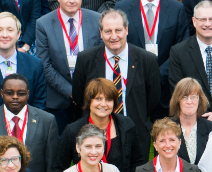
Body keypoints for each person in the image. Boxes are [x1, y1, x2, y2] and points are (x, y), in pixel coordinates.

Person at [70, 8, 163, 137]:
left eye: (118, 30)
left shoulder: (147, 60)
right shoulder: (86, 59)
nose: (114, 36)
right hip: (96, 134)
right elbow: (79, 97)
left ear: (126, 30)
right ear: (101, 33)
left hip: (135, 132)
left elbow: (153, 99)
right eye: (108, 31)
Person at [34, 0, 100, 132]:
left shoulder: (97, 19)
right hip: (58, 100)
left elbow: (99, 58)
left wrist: (86, 91)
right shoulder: (43, 23)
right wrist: (72, 92)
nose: (72, 0)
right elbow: (44, 65)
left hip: (90, 96)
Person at [118, 0, 192, 88]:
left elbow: (182, 46)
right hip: (132, 81)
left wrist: (159, 73)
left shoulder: (177, 9)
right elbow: (118, 43)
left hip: (167, 83)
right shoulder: (122, 8)